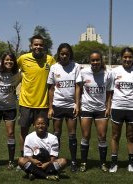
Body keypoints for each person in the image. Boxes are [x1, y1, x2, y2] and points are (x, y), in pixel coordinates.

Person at [17, 34, 56, 159]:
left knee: (43, 133)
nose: (38, 47)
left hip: (43, 105)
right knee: (24, 132)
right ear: (31, 46)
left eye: (40, 45)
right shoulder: (23, 59)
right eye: (36, 44)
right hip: (25, 103)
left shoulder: (50, 60)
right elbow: (10, 70)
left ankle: (43, 158)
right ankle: (23, 157)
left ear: (44, 46)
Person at [47, 43, 81, 172]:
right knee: (57, 135)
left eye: (67, 53)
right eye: (62, 54)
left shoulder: (76, 66)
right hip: (58, 105)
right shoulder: (54, 67)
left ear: (70, 54)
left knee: (72, 134)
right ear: (59, 54)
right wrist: (50, 107)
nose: (65, 56)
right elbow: (51, 88)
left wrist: (77, 104)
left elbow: (78, 87)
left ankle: (73, 162)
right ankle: (55, 160)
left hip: (71, 106)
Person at [109, 47, 133, 173]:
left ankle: (131, 162)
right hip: (117, 107)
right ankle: (113, 162)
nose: (127, 59)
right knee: (115, 136)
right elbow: (111, 90)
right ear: (121, 58)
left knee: (130, 136)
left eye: (130, 57)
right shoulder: (114, 71)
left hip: (132, 108)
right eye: (125, 57)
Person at [79, 51, 112, 172]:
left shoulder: (107, 74)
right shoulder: (83, 72)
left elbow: (109, 92)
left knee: (102, 136)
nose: (95, 62)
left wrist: (108, 107)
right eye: (93, 60)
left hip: (101, 109)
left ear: (101, 61)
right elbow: (78, 89)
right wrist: (78, 104)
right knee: (85, 136)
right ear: (90, 61)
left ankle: (103, 163)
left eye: (97, 60)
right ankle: (83, 162)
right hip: (87, 108)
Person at [0, 52, 21, 170]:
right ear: (2, 61)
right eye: (6, 60)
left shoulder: (17, 73)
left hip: (10, 108)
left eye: (11, 60)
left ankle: (11, 161)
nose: (9, 62)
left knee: (11, 133)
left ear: (14, 62)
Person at [18, 115, 67, 181]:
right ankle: (47, 176)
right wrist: (33, 161)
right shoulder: (29, 137)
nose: (40, 126)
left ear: (47, 125)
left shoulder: (53, 138)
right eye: (38, 124)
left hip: (48, 163)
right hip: (34, 163)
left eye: (43, 124)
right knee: (21, 160)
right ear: (34, 125)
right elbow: (27, 155)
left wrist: (46, 164)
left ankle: (34, 173)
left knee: (63, 161)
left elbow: (54, 156)